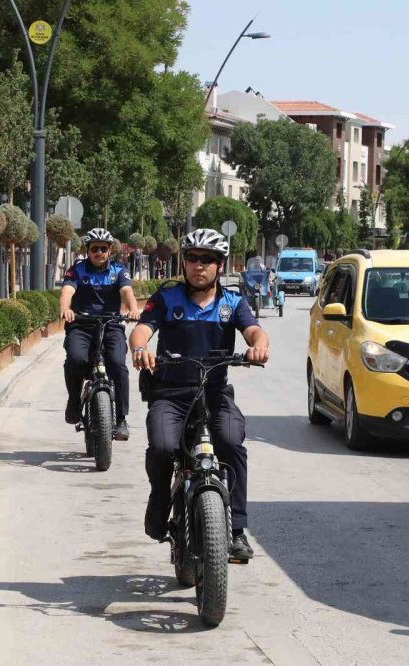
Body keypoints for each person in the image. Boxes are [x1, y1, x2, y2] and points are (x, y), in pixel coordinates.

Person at [129, 229, 270, 561]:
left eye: (207, 259)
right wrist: (140, 349)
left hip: (215, 394)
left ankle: (237, 530)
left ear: (220, 265)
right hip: (171, 395)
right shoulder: (167, 298)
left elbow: (254, 330)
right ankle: (160, 500)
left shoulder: (233, 302)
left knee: (232, 443)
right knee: (163, 447)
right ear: (184, 263)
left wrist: (259, 346)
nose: (199, 265)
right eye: (192, 258)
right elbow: (142, 329)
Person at [60, 228, 138, 440]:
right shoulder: (77, 270)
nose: (99, 253)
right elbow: (67, 291)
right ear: (88, 250)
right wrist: (66, 308)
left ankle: (121, 419)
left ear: (110, 250)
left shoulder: (119, 270)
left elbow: (127, 291)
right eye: (94, 249)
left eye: (103, 249)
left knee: (117, 363)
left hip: (111, 325)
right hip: (81, 325)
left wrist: (132, 308)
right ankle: (74, 401)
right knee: (76, 359)